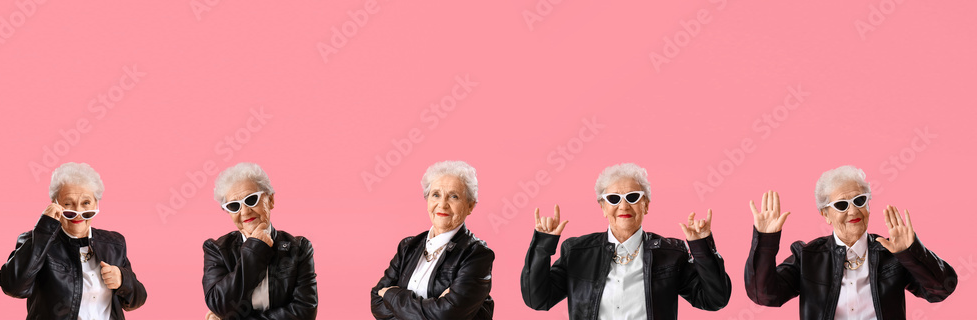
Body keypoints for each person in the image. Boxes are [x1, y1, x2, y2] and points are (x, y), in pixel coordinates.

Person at [521, 163, 731, 319]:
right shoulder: (577, 252)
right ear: (603, 207)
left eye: (633, 197)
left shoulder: (671, 254)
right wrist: (543, 245)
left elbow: (714, 299)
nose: (623, 206)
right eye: (613, 199)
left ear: (646, 205)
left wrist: (701, 247)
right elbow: (537, 299)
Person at [744, 165, 957, 319]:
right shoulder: (808, 256)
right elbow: (764, 296)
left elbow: (941, 289)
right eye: (841, 205)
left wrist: (910, 252)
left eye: (859, 200)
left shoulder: (892, 253)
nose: (853, 211)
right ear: (825, 214)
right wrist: (766, 242)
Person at [0, 162, 147, 319]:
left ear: (96, 204)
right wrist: (44, 229)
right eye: (68, 204)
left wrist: (123, 280)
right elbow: (13, 287)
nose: (78, 212)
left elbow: (138, 299)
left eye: (86, 203)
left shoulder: (114, 244)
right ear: (55, 204)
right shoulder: (36, 241)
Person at [370, 160, 494, 319]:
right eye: (436, 195)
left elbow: (446, 316)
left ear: (470, 206)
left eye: (454, 196)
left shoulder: (477, 254)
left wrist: (391, 295)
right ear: (428, 200)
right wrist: (433, 306)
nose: (442, 204)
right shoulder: (408, 246)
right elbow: (376, 300)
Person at [203, 163, 318, 319]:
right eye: (234, 206)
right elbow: (220, 304)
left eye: (251, 200)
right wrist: (254, 249)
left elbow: (304, 312)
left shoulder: (299, 248)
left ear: (270, 200)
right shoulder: (216, 249)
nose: (244, 211)